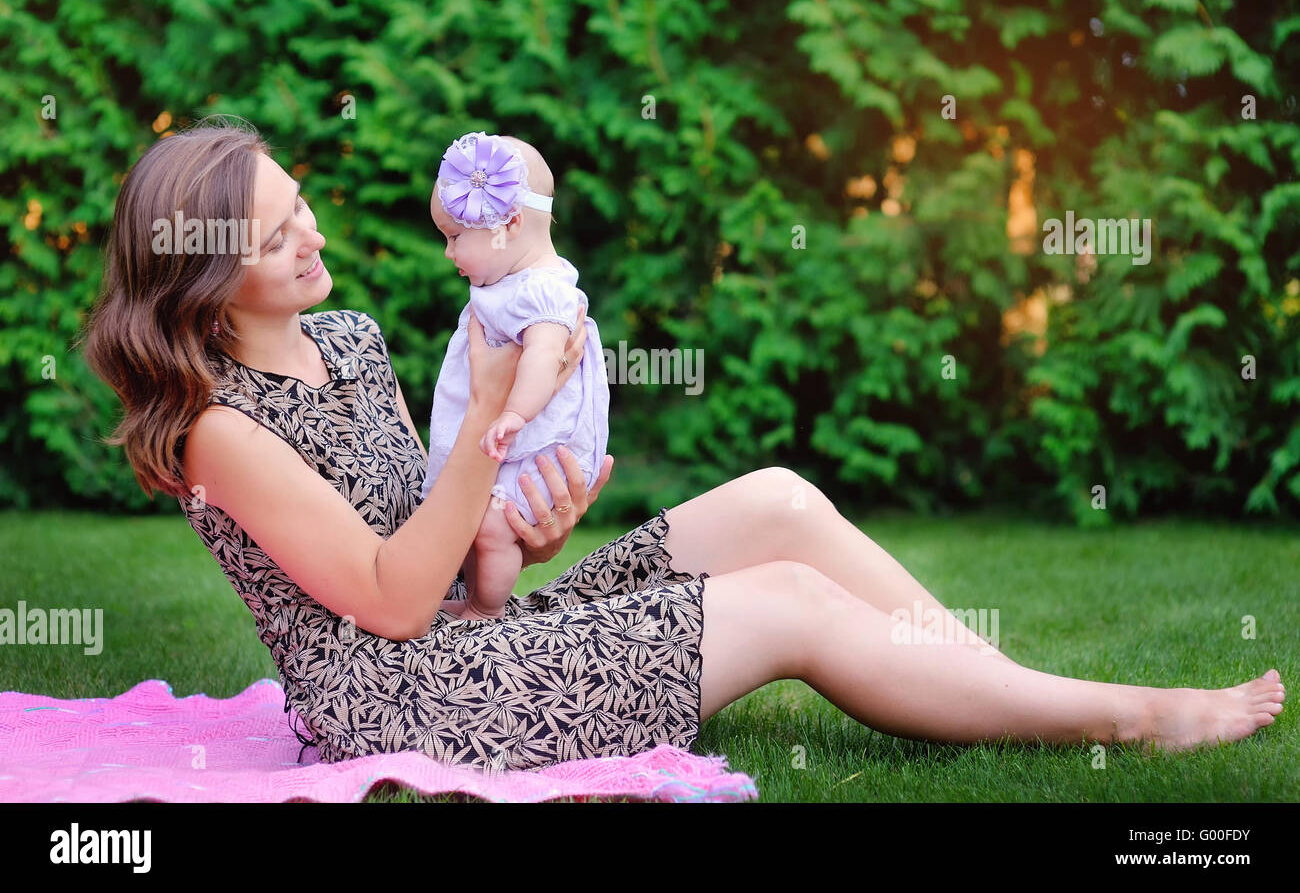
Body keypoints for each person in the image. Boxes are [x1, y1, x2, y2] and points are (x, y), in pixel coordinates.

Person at [78, 118, 1285, 772]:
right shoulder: (217, 432)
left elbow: (441, 554)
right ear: (200, 273)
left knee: (777, 502)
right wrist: (493, 438)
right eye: (278, 231)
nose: (313, 231)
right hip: (405, 699)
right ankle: (1118, 715)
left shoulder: (346, 336)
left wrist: (515, 535)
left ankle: (999, 692)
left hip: (474, 631)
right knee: (790, 604)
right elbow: (392, 606)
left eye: (302, 205)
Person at [421, 130, 610, 622]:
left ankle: (486, 609)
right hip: (511, 439)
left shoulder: (543, 290)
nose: (448, 254)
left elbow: (545, 358)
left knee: (490, 527)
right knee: (467, 522)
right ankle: (454, 593)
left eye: (455, 238)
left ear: (510, 223)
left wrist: (512, 414)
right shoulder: (510, 285)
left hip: (539, 444)